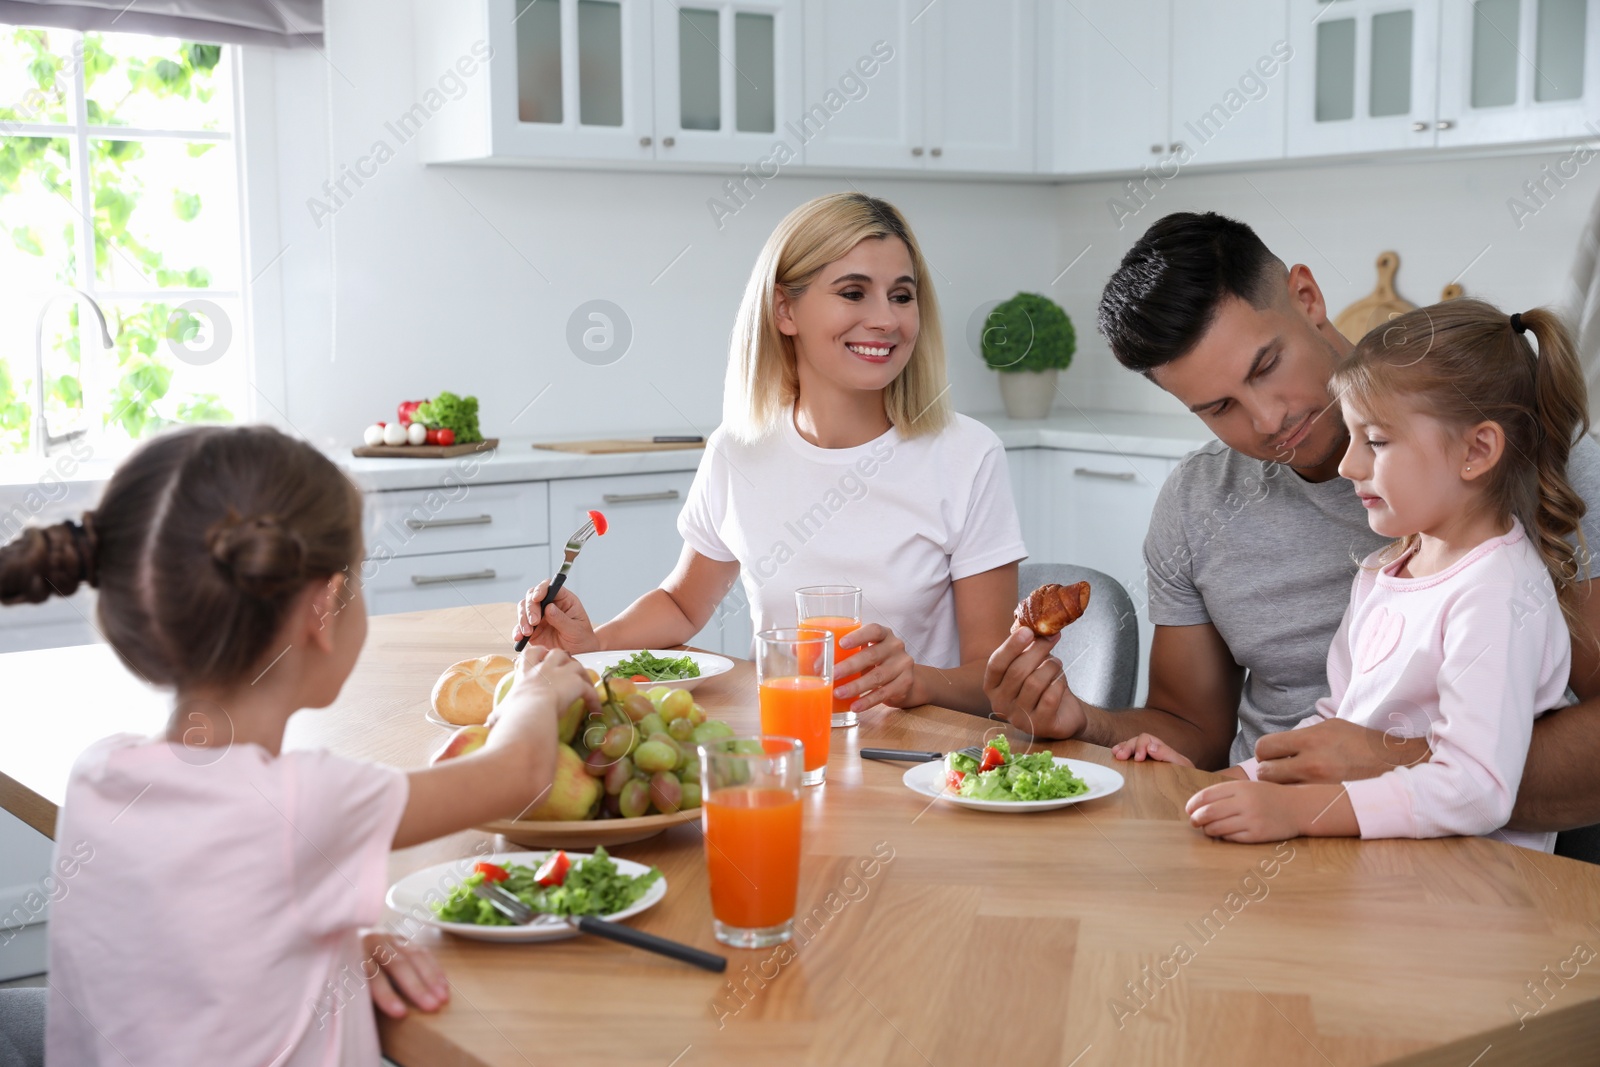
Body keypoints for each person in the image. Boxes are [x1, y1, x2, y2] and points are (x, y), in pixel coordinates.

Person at [985, 211, 1600, 838]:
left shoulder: (1534, 469)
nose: (1267, 420)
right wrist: (1083, 722)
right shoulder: (1221, 511)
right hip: (1272, 836)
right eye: (1219, 407)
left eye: (1265, 366)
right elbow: (1206, 731)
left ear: (1306, 298)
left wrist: (1379, 765)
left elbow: (1479, 779)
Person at [0, 424, 598, 1066]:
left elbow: (182, 944)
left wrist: (318, 946)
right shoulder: (305, 802)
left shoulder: (97, 775)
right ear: (325, 608)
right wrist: (534, 689)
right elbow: (519, 769)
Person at [514, 193, 1026, 715]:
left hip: (918, 760)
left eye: (901, 296)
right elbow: (682, 604)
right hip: (785, 741)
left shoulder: (967, 455)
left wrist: (916, 681)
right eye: (853, 293)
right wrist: (595, 645)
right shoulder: (738, 450)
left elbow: (993, 679)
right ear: (785, 310)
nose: (885, 320)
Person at [1118, 301, 1587, 850]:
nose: (1348, 466)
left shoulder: (1498, 592)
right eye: (1353, 435)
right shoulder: (1385, 571)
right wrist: (1208, 787)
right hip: (1378, 872)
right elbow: (1329, 732)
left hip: (1464, 898)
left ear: (1477, 450)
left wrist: (1297, 811)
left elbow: (1478, 788)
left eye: (1378, 442)